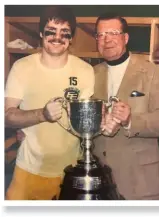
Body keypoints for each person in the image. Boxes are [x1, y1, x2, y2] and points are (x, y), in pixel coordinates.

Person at [5, 6, 94, 200]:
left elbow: (87, 121)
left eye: (65, 33)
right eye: (50, 31)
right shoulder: (22, 67)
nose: (57, 37)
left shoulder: (86, 70)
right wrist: (42, 115)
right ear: (40, 33)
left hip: (70, 171)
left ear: (71, 38)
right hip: (28, 170)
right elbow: (6, 117)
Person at [93, 13, 159, 200]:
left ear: (125, 38)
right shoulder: (91, 73)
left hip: (140, 181)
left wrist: (131, 120)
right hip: (99, 180)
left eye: (113, 33)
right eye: (100, 35)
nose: (106, 40)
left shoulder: (153, 72)